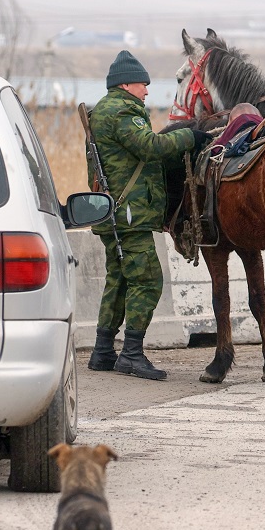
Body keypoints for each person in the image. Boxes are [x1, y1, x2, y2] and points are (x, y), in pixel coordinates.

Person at [86, 50, 206, 380]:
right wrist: (189, 136)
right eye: (143, 85)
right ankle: (132, 354)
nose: (147, 92)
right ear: (127, 85)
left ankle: (103, 351)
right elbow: (149, 147)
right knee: (147, 280)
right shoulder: (124, 111)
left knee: (120, 279)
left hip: (112, 214)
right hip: (130, 215)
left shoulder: (103, 111)